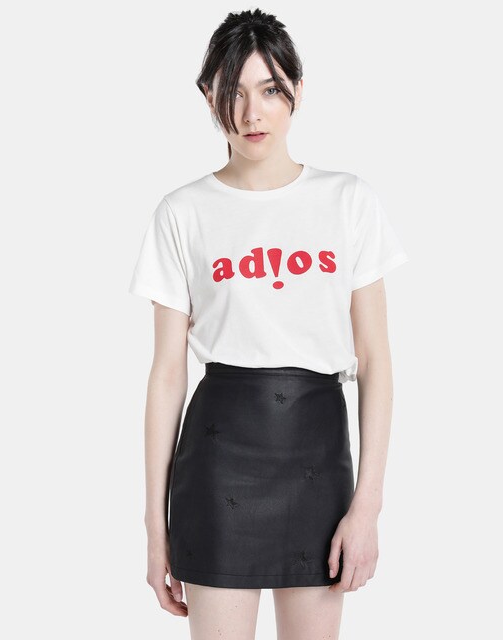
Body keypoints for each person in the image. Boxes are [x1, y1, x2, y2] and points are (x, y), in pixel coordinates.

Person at [128, 8, 409, 640]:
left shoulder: (349, 200)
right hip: (217, 460)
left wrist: (368, 504)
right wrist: (154, 526)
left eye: (271, 90)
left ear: (298, 92)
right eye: (234, 92)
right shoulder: (182, 212)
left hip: (319, 457)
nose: (252, 114)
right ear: (209, 97)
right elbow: (167, 374)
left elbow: (376, 360)